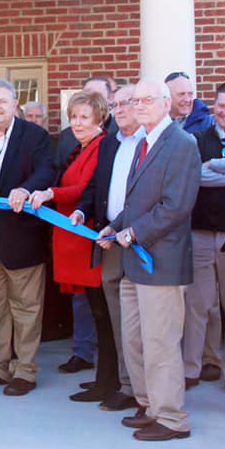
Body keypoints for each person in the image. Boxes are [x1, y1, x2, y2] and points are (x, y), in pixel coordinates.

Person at [97, 78, 201, 441]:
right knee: (136, 341)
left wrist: (134, 233)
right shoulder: (144, 142)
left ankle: (172, 419)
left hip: (161, 262)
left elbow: (176, 206)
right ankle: (150, 406)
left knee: (160, 343)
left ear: (166, 102)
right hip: (134, 262)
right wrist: (114, 227)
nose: (140, 106)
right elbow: (135, 204)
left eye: (147, 100)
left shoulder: (182, 144)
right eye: (134, 101)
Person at [0, 79, 56, 397]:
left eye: (2, 102)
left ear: (14, 103)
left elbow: (47, 170)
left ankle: (25, 371)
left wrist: (26, 188)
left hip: (20, 236)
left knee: (25, 306)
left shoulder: (35, 136)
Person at [30, 91, 114, 402]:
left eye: (84, 117)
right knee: (94, 310)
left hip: (88, 238)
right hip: (75, 240)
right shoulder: (81, 147)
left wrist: (51, 192)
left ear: (99, 119)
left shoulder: (101, 146)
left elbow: (85, 188)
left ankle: (108, 382)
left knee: (102, 314)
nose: (77, 123)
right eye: (74, 117)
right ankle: (102, 380)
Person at [70, 84, 143, 411]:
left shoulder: (151, 143)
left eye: (128, 102)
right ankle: (121, 384)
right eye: (117, 104)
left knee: (139, 324)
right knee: (114, 319)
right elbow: (96, 187)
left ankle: (136, 390)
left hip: (141, 243)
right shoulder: (114, 143)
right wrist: (84, 212)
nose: (122, 108)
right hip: (110, 241)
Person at [184, 81, 225, 397]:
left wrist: (214, 171)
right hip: (198, 231)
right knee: (197, 304)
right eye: (221, 106)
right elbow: (190, 175)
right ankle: (193, 367)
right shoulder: (197, 139)